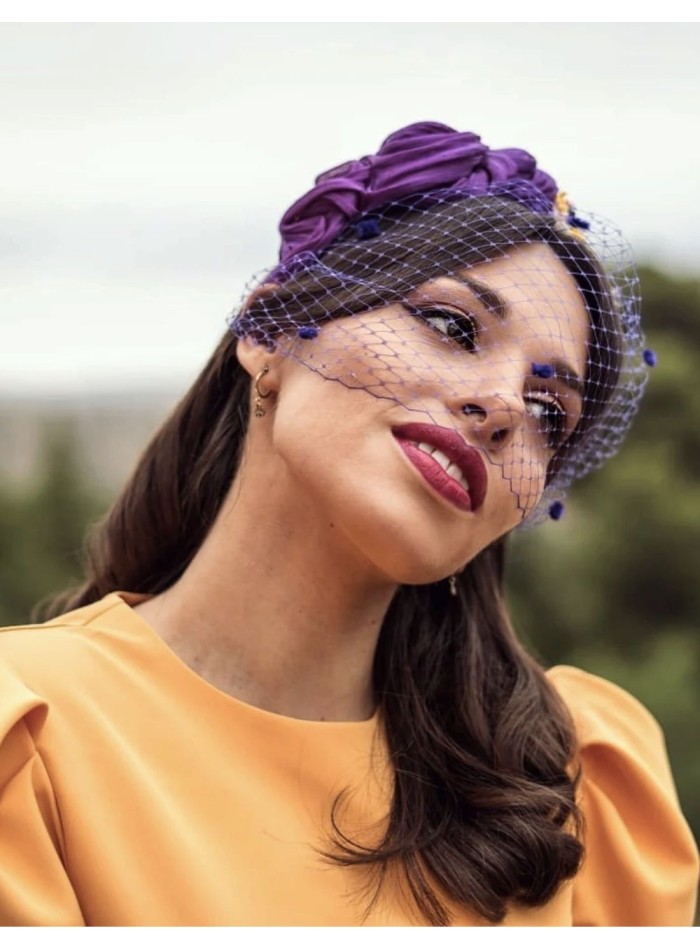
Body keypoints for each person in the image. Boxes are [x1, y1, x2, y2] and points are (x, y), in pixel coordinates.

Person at [0, 122, 697, 927]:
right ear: (268, 335)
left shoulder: (582, 784)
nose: (506, 405)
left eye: (549, 411)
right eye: (454, 327)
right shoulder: (32, 735)